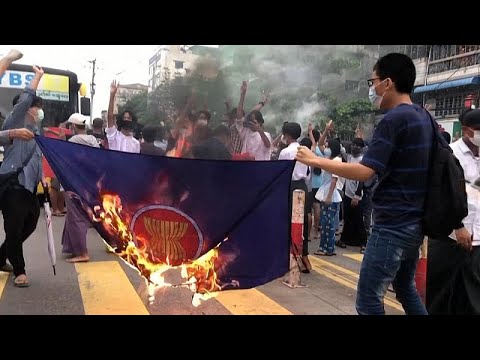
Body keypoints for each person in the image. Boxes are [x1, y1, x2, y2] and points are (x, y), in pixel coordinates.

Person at [296, 53, 431, 315]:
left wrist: (316, 160)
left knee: (369, 301)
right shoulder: (422, 116)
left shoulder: (394, 119)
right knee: (405, 289)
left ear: (388, 83)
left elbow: (364, 172)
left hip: (393, 223)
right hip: (415, 223)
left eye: (373, 81)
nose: (372, 88)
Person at [427, 108, 480, 314]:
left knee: (472, 297)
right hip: (450, 236)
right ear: (466, 130)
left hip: (478, 240)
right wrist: (457, 226)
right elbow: (440, 195)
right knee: (440, 292)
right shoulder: (449, 154)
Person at [0, 65, 45, 287]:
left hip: (30, 189)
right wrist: (38, 77)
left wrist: (43, 178)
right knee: (14, 228)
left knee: (31, 224)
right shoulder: (14, 123)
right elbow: (26, 99)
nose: (38, 111)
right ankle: (20, 271)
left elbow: (37, 160)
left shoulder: (37, 133)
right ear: (26, 109)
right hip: (13, 187)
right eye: (36, 107)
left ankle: (0, 257)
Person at [61, 113, 100, 263]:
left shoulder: (73, 140)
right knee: (77, 216)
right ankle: (72, 248)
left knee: (76, 217)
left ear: (73, 126)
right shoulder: (93, 140)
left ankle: (82, 252)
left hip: (73, 182)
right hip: (88, 182)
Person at [279, 122, 312, 272]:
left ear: (287, 135)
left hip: (290, 186)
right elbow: (308, 172)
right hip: (303, 187)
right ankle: (304, 256)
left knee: (288, 221)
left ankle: (290, 257)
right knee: (302, 221)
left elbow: (280, 173)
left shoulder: (285, 152)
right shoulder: (304, 150)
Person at [106, 81, 140, 153]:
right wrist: (112, 95)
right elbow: (110, 117)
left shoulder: (136, 143)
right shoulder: (114, 136)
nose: (126, 120)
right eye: (124, 118)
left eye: (129, 118)